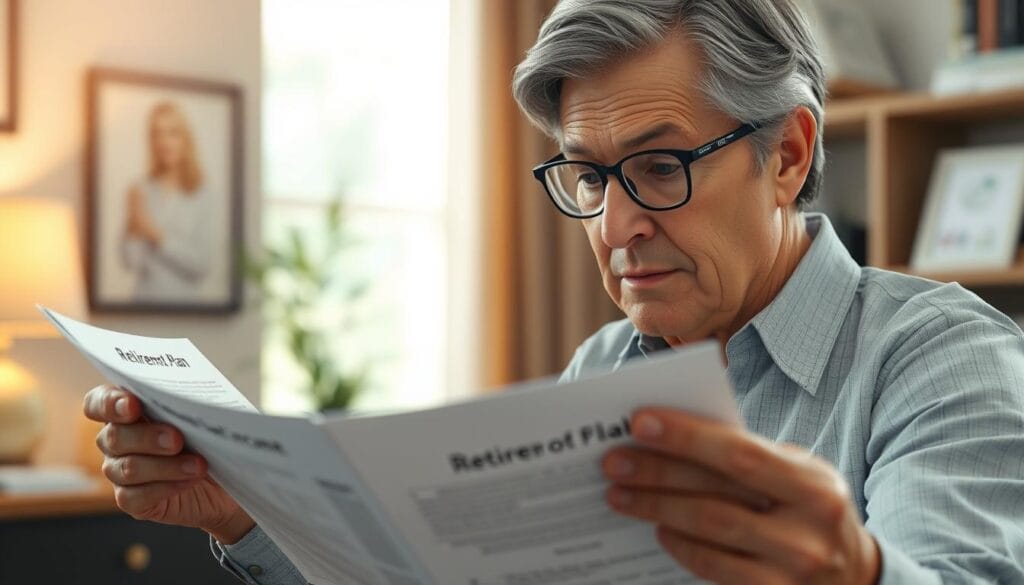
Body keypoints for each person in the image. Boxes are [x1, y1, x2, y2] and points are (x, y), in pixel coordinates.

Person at [83, 1, 1024, 583]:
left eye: (659, 167)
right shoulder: (604, 366)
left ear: (787, 154)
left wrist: (855, 578)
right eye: (588, 176)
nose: (614, 229)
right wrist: (244, 510)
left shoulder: (941, 358)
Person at [120, 101, 213, 302]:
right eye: (157, 134)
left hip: (184, 309)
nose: (164, 142)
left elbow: (201, 265)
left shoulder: (202, 193)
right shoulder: (142, 189)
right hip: (142, 305)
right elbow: (131, 262)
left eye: (172, 132)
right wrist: (133, 222)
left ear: (185, 138)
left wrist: (155, 234)